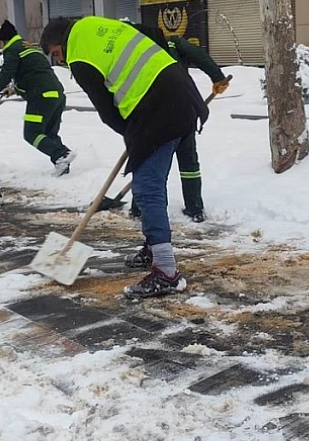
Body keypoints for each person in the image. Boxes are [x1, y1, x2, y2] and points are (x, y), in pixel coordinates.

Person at [40, 16, 208, 299]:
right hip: (181, 90)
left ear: (62, 42)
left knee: (147, 188)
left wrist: (133, 134)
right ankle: (154, 248)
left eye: (56, 54)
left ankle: (166, 272)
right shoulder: (95, 25)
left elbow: (107, 112)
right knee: (153, 183)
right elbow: (151, 32)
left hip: (159, 107)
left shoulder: (79, 55)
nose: (60, 61)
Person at [127, 24, 230, 223]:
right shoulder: (174, 43)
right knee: (188, 161)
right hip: (185, 110)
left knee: (150, 161)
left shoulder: (138, 53)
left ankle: (140, 208)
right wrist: (217, 77)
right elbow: (200, 56)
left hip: (156, 117)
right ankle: (195, 208)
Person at [0, 19, 76, 176]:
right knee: (48, 134)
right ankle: (62, 165)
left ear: (4, 41)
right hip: (56, 95)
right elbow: (33, 73)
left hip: (40, 97)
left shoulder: (12, 49)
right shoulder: (27, 47)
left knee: (31, 133)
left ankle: (61, 154)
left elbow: (7, 73)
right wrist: (15, 89)